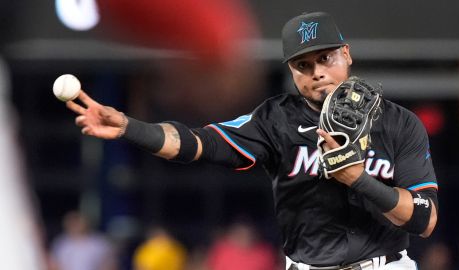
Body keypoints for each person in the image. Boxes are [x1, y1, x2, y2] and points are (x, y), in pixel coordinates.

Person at [66, 12, 438, 270]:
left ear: (347, 54)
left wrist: (360, 180)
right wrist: (129, 126)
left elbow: (424, 219)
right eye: (303, 66)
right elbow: (196, 143)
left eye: (325, 58)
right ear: (291, 70)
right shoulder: (276, 120)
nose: (317, 73)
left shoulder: (398, 123)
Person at [50, 211, 118, 270]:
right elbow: (54, 265)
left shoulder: (100, 242)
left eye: (77, 222)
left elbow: (109, 264)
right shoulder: (61, 242)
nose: (75, 226)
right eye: (72, 223)